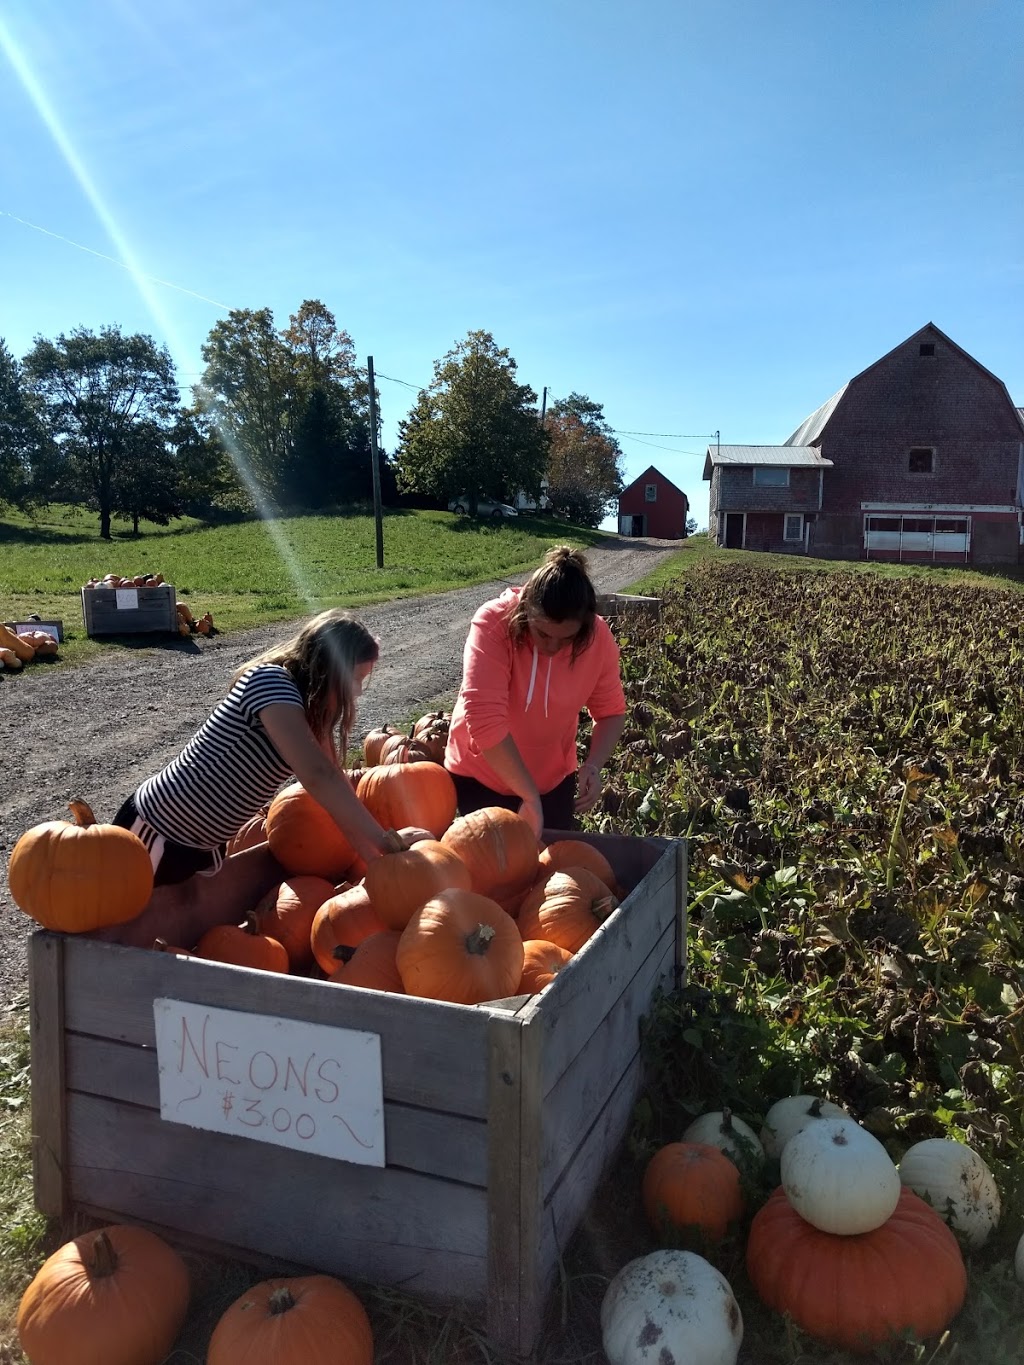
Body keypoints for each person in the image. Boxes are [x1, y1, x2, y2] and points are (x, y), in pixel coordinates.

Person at [111, 609, 397, 887]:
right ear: (329, 669)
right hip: (158, 830)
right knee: (115, 921)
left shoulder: (309, 714)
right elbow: (318, 775)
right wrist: (384, 839)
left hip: (197, 846)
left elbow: (335, 793)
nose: (358, 691)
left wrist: (380, 861)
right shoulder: (271, 682)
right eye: (356, 679)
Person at [444, 546, 627, 837]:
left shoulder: (598, 638)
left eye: (567, 639)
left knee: (549, 871)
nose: (553, 647)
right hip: (483, 774)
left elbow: (611, 712)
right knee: (491, 868)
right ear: (526, 609)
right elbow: (484, 718)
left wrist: (593, 764)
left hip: (552, 780)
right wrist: (529, 796)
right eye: (543, 634)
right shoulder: (494, 622)